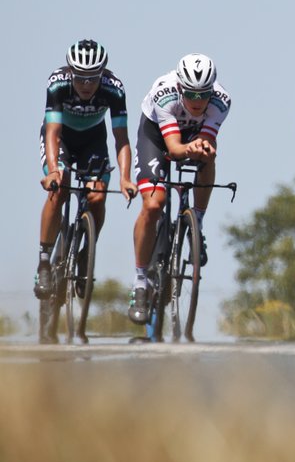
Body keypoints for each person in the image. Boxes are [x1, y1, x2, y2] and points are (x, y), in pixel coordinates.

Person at [127, 54, 232, 324]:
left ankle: (196, 219)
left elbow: (207, 139)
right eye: (191, 94)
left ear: (213, 90)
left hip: (190, 134)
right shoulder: (165, 93)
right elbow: (173, 148)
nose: (198, 102)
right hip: (158, 136)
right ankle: (140, 283)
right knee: (153, 204)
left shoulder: (222, 101)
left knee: (209, 154)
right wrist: (188, 149)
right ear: (180, 88)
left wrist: (201, 146)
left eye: (204, 94)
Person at [35, 40, 136, 308]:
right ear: (70, 72)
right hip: (61, 140)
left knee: (98, 196)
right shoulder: (57, 84)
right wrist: (54, 171)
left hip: (93, 140)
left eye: (93, 78)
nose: (86, 84)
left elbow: (121, 138)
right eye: (80, 78)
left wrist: (126, 177)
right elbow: (52, 132)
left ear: (102, 73)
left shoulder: (114, 89)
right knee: (59, 191)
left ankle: (85, 252)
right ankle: (44, 261)